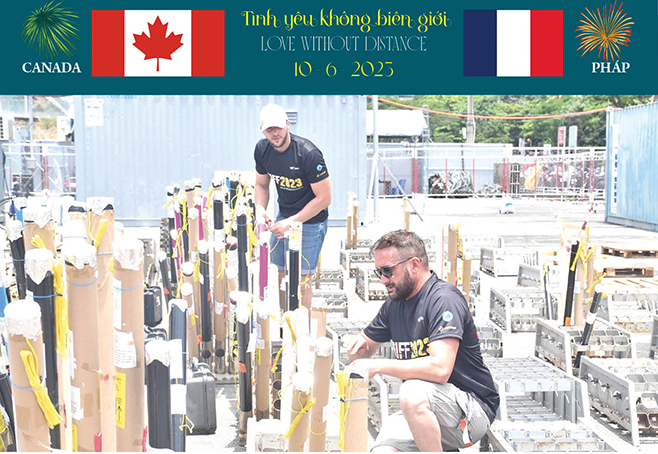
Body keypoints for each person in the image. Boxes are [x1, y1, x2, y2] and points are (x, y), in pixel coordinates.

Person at [344, 230, 499, 452]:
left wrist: (377, 365)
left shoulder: (443, 300)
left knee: (411, 392)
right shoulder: (395, 303)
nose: (383, 280)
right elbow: (365, 349)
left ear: (414, 265)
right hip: (425, 409)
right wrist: (356, 345)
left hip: (471, 412)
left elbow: (440, 369)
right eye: (379, 271)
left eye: (388, 270)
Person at [254, 103, 331, 311]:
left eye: (278, 127)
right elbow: (262, 184)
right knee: (281, 270)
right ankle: (284, 319)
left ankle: (301, 333)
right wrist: (260, 209)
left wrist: (289, 223)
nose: (275, 133)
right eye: (269, 129)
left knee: (302, 278)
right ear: (262, 131)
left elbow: (324, 199)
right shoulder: (262, 150)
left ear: (288, 124)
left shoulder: (308, 154)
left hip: (311, 221)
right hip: (285, 215)